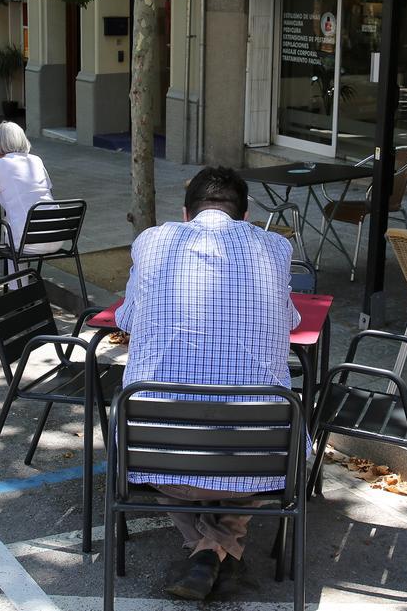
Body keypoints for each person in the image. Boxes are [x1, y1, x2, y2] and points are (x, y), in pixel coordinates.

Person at [115, 166, 301, 601]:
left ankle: (204, 550)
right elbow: (290, 322)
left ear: (185, 213)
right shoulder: (275, 248)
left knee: (156, 430)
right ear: (246, 214)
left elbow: (125, 318)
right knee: (250, 433)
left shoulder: (151, 241)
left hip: (159, 459)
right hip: (259, 463)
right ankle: (217, 549)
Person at [0, 121, 60, 256]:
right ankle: (20, 277)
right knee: (15, 227)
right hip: (57, 236)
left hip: (29, 239)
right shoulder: (36, 160)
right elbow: (47, 189)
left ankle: (16, 278)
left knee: (11, 231)